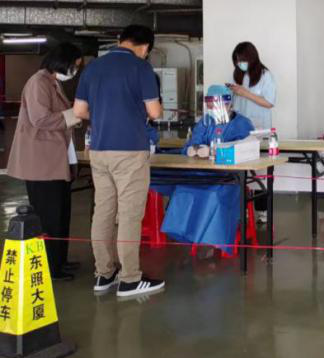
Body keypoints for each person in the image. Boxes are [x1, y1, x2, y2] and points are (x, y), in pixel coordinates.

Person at [72, 24, 165, 299]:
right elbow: (155, 112)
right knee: (129, 215)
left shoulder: (93, 68)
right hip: (130, 151)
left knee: (103, 211)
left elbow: (79, 111)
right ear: (145, 47)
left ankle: (104, 273)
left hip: (99, 150)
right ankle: (130, 279)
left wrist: (105, 115)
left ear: (120, 40)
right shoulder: (141, 68)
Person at [6, 41, 83, 280]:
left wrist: (73, 116)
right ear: (62, 62)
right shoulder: (38, 82)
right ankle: (50, 267)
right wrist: (75, 115)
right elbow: (40, 119)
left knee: (61, 214)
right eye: (74, 66)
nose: (74, 71)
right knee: (49, 217)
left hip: (54, 161)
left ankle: (60, 261)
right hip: (41, 164)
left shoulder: (52, 82)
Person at [158, 85, 253, 247]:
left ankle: (211, 237)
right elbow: (194, 141)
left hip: (229, 178)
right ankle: (187, 235)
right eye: (210, 108)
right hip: (204, 174)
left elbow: (245, 151)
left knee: (212, 195)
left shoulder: (242, 124)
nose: (213, 111)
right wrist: (192, 149)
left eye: (216, 107)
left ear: (228, 104)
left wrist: (215, 152)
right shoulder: (206, 121)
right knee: (183, 189)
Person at [228, 40, 276, 223]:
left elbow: (269, 102)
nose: (239, 64)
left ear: (251, 57)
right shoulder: (238, 75)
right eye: (236, 61)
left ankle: (262, 210)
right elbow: (235, 102)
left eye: (241, 60)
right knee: (240, 172)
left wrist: (245, 93)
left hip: (258, 131)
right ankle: (243, 210)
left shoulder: (265, 76)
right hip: (239, 130)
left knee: (259, 172)